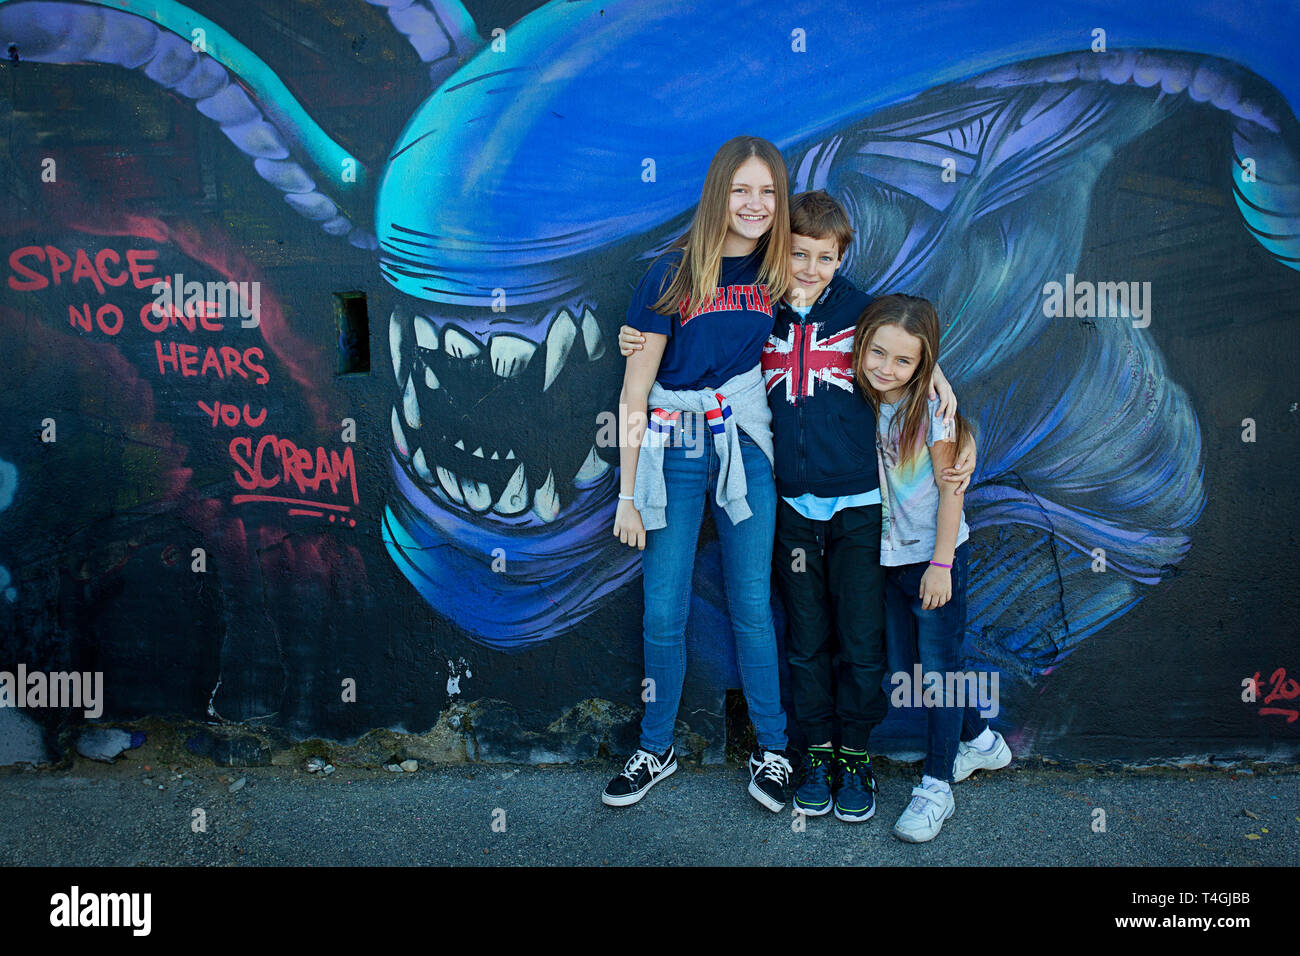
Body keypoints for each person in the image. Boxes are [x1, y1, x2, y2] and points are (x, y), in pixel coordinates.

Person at [618, 190, 977, 823]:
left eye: (825, 257)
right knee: (806, 639)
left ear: (842, 258)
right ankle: (809, 752)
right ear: (779, 250)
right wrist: (636, 335)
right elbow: (694, 332)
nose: (810, 268)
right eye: (798, 254)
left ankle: (855, 755)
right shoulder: (762, 311)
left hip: (863, 510)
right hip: (791, 509)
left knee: (862, 642)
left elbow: (912, 349)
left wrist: (945, 392)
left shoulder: (863, 312)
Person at [602, 135, 796, 812]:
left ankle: (773, 749)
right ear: (719, 193)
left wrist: (937, 374)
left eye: (769, 191)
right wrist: (626, 494)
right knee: (663, 609)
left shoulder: (780, 274)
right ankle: (657, 748)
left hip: (743, 442)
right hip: (673, 445)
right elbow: (633, 393)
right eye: (742, 189)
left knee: (751, 604)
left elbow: (870, 319)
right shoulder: (669, 276)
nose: (756, 204)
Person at [852, 293, 1010, 844]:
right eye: (878, 354)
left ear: (924, 364)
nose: (886, 369)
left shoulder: (937, 415)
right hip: (887, 557)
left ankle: (936, 784)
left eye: (904, 361)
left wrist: (941, 564)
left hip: (934, 556)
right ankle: (983, 742)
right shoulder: (861, 395)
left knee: (939, 667)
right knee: (908, 670)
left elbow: (951, 494)